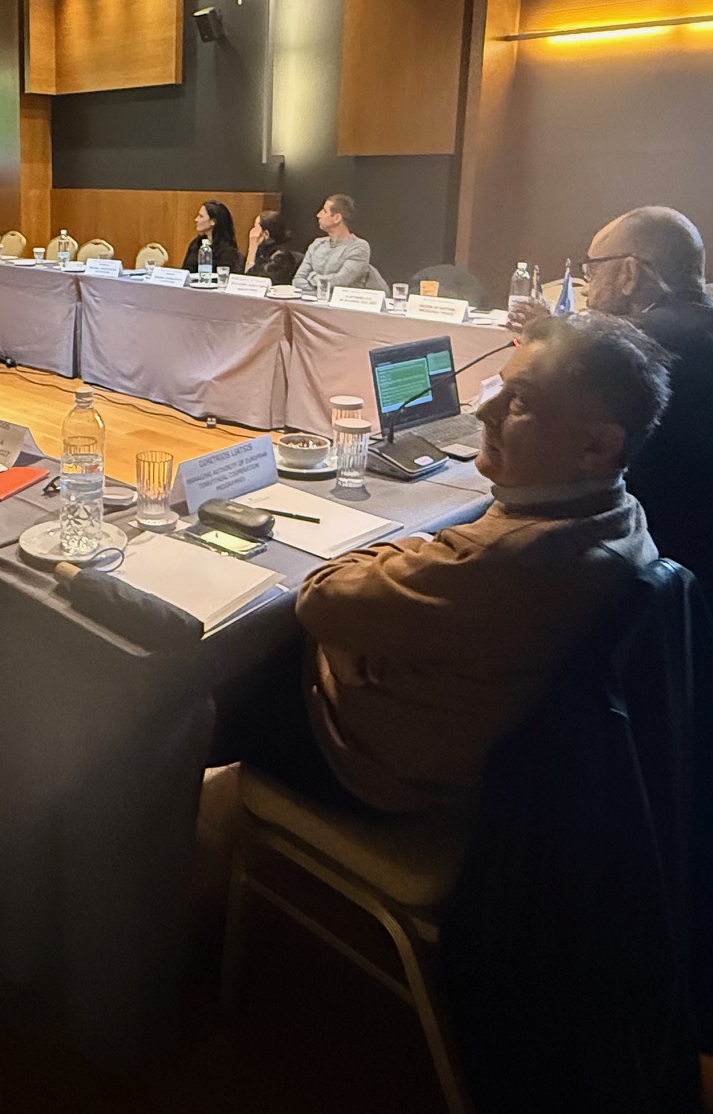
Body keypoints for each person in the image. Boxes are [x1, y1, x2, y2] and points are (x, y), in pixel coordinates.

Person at [212, 313, 668, 814]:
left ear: (597, 446)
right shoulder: (623, 515)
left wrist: (409, 555)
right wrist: (421, 558)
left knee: (209, 676)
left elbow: (321, 594)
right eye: (500, 387)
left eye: (521, 400)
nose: (485, 410)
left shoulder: (501, 562)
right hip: (477, 756)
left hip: (379, 772)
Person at [527, 207, 713, 652]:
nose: (587, 286)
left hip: (688, 615)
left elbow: (553, 464)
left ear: (628, 273)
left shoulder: (638, 349)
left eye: (592, 269)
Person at [294, 194, 386, 296]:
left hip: (346, 304)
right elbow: (297, 280)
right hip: (315, 303)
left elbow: (341, 282)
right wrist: (320, 291)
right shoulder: (317, 244)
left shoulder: (359, 247)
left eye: (324, 211)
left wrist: (312, 277)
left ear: (337, 218)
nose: (318, 215)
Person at [180, 199, 245, 274]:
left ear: (212, 221)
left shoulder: (228, 251)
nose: (196, 219)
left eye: (201, 216)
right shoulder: (196, 243)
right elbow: (185, 271)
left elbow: (223, 276)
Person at [245, 210, 300, 287]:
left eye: (256, 228)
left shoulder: (281, 256)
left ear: (266, 234)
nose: (252, 233)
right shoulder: (261, 251)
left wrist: (252, 248)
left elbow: (251, 281)